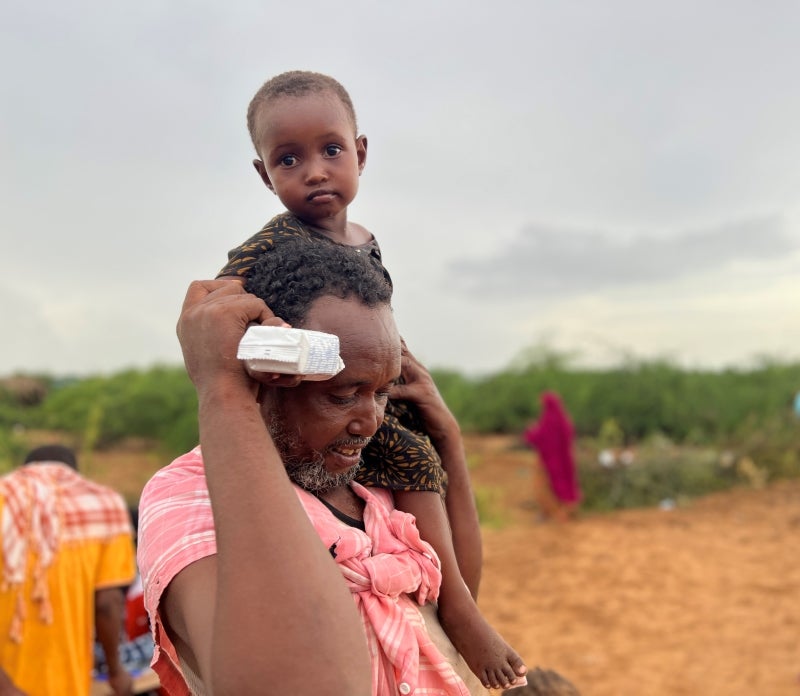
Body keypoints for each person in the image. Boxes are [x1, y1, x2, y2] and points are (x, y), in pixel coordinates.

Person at [214, 69, 524, 689]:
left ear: (360, 152)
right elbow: (214, 306)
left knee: (426, 450)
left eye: (331, 151)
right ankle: (459, 609)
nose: (315, 171)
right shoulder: (270, 246)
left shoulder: (366, 242)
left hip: (371, 392)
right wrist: (277, 347)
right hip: (314, 393)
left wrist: (393, 374)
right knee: (411, 452)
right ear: (263, 175)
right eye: (289, 159)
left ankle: (453, 592)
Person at [137, 240, 526, 694]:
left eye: (382, 392)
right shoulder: (190, 497)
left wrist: (448, 442)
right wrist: (223, 389)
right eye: (342, 396)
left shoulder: (370, 481)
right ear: (267, 370)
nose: (370, 422)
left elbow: (457, 602)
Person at [0, 445, 136, 696]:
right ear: (74, 474)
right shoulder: (101, 507)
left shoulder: (6, 500)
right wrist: (116, 672)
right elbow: (107, 603)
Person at [523, 392, 581, 522]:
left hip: (548, 461)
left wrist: (530, 431)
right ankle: (561, 512)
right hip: (564, 461)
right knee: (562, 485)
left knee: (544, 487)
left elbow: (539, 438)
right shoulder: (565, 420)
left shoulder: (548, 420)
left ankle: (555, 514)